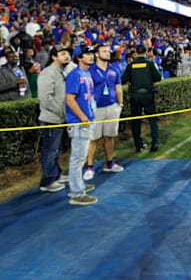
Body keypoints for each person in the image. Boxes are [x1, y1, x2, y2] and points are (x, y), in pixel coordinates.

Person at [83, 45, 124, 181]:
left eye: (108, 51)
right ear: (96, 54)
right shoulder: (90, 70)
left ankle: (109, 163)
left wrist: (120, 104)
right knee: (93, 138)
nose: (107, 53)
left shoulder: (114, 69)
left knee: (109, 136)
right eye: (104, 51)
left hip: (112, 107)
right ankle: (89, 166)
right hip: (96, 109)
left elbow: (118, 87)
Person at [65, 44, 98, 206]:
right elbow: (69, 99)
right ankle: (77, 192)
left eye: (91, 53)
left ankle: (78, 185)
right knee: (77, 159)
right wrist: (83, 117)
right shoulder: (75, 74)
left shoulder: (86, 73)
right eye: (86, 54)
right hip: (79, 123)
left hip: (86, 120)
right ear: (79, 57)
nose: (91, 56)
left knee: (80, 157)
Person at [37, 46, 71, 192]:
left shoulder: (61, 72)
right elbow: (45, 98)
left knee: (58, 149)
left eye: (67, 53)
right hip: (51, 119)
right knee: (50, 150)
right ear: (53, 57)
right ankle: (47, 181)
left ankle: (55, 174)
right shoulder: (48, 73)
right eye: (62, 54)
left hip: (60, 119)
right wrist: (60, 112)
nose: (67, 56)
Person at [122, 44, 161, 152]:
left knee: (136, 121)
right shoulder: (149, 64)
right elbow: (158, 77)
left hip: (135, 96)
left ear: (136, 52)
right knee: (153, 119)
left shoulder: (131, 65)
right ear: (146, 52)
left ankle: (138, 145)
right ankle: (155, 143)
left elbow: (122, 79)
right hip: (148, 95)